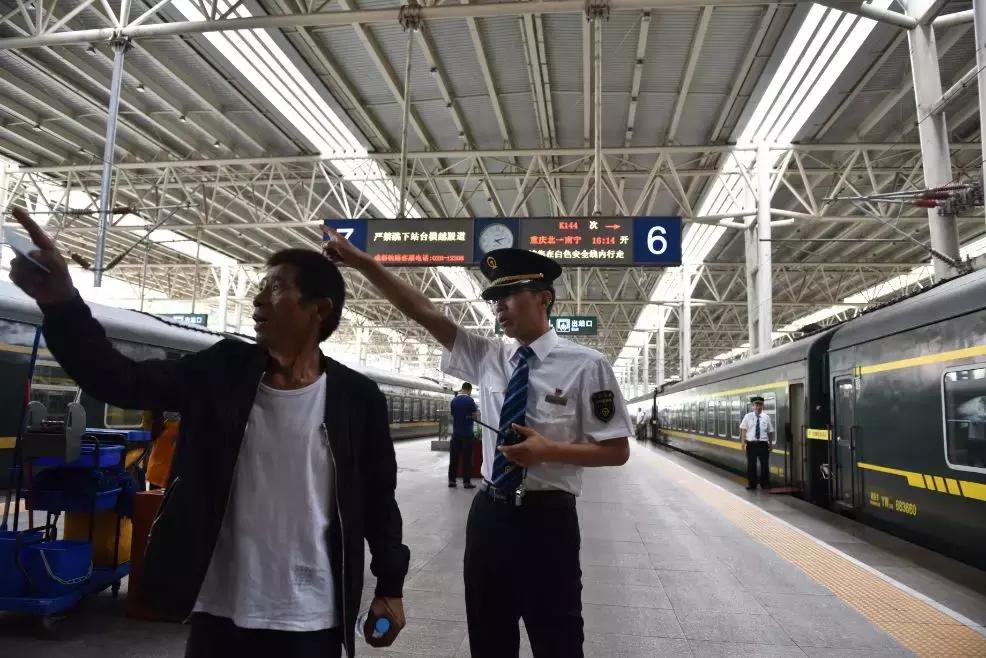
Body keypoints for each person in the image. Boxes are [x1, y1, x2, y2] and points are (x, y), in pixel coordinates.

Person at [8, 208, 409, 658]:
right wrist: (62, 303)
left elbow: (378, 499)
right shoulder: (222, 371)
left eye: (275, 287)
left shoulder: (358, 399)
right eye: (259, 287)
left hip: (311, 617)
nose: (258, 300)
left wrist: (390, 585)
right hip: (218, 610)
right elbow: (119, 379)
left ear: (320, 310)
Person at [323, 230, 632, 658]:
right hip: (489, 516)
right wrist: (364, 263)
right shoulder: (488, 356)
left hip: (549, 521)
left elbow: (617, 451)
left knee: (557, 638)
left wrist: (549, 451)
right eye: (495, 298)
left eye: (511, 294)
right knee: (488, 636)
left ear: (544, 298)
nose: (499, 306)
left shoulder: (587, 365)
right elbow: (421, 310)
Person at [740, 395, 774, 490]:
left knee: (765, 465)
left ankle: (765, 484)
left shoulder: (766, 417)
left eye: (760, 405)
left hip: (763, 444)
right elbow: (744, 429)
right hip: (751, 444)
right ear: (753, 406)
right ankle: (752, 484)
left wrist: (770, 444)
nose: (758, 407)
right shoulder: (748, 416)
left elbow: (770, 431)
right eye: (756, 405)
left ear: (762, 406)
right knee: (751, 465)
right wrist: (743, 442)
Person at [449, 382, 478, 489]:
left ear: (462, 389)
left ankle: (452, 481)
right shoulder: (470, 401)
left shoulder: (454, 400)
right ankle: (466, 482)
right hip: (467, 434)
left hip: (456, 434)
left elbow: (452, 415)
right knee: (467, 459)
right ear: (470, 390)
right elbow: (475, 417)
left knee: (454, 458)